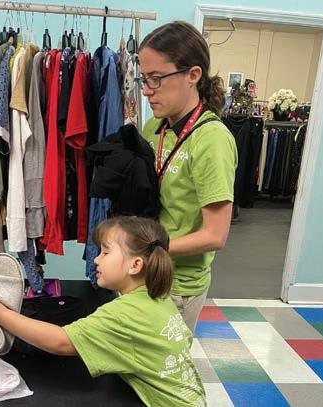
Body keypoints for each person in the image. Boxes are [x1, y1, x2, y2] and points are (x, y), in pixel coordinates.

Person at [0, 216, 206, 407]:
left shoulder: (125, 313)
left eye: (105, 252)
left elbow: (60, 342)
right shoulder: (158, 297)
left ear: (135, 265)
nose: (96, 260)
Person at [138, 21, 238, 333]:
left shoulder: (211, 140)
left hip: (177, 284)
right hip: (142, 271)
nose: (146, 90)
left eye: (156, 79)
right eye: (144, 79)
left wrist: (146, 249)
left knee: (164, 363)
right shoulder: (154, 127)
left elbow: (214, 236)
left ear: (193, 75)